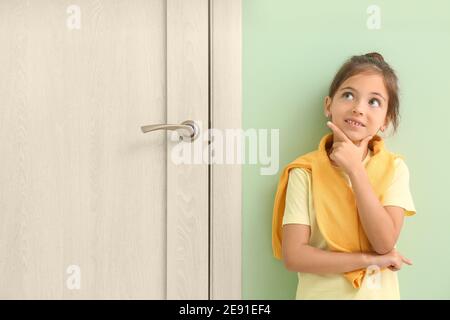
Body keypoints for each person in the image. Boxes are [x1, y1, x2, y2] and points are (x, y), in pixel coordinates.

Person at [272, 52, 416, 300]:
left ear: (386, 119)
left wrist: (356, 170)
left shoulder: (395, 169)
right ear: (329, 105)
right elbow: (294, 256)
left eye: (374, 102)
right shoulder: (304, 172)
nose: (358, 108)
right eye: (348, 95)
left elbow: (384, 242)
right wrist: (371, 260)